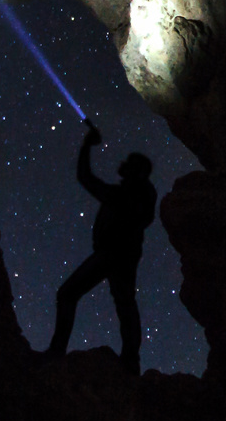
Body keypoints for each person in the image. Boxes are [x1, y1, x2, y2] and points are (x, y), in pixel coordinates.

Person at [45, 122, 157, 373]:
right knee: (124, 302)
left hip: (114, 253)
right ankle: (130, 361)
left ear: (136, 171)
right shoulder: (137, 193)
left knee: (71, 294)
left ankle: (58, 351)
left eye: (130, 163)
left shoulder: (132, 193)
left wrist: (87, 146)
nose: (123, 164)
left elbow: (86, 179)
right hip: (119, 254)